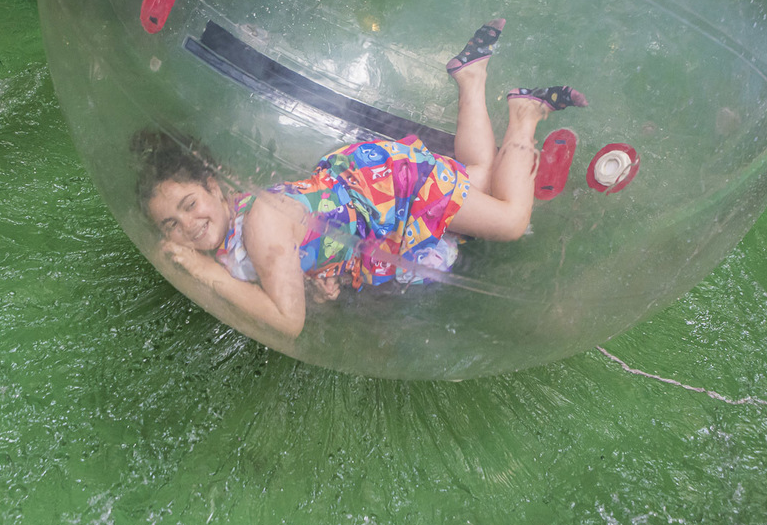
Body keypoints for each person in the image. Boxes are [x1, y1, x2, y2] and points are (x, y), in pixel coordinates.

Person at [132, 19, 586, 347]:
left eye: (189, 204)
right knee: (476, 175)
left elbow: (288, 323)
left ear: (213, 187)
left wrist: (207, 274)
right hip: (369, 204)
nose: (188, 225)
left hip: (388, 194)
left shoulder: (259, 223)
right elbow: (298, 258)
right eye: (171, 224)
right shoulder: (236, 228)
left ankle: (524, 115)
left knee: (509, 220)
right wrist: (316, 281)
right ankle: (470, 76)